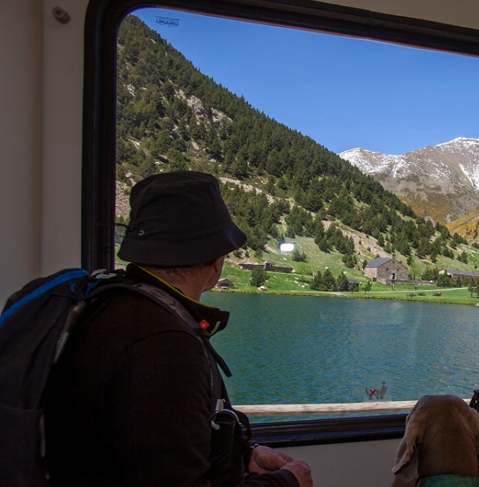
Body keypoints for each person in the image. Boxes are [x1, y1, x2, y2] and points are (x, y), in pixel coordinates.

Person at [43, 171, 312, 486]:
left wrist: (243, 455)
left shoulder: (112, 307)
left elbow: (156, 450)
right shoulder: (162, 344)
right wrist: (286, 482)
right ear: (215, 259)